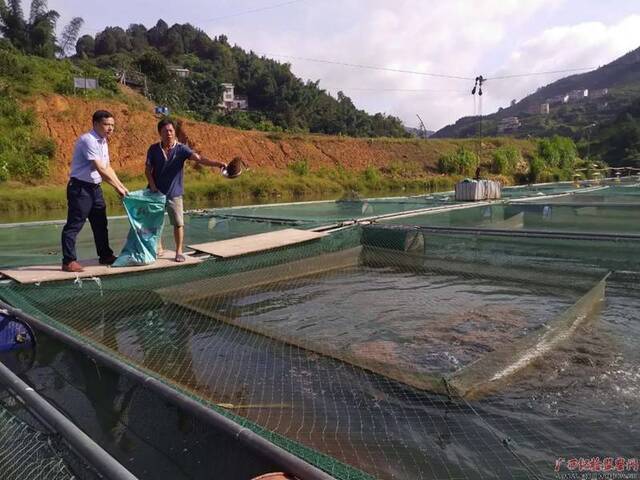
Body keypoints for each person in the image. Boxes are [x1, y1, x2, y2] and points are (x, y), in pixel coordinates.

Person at [145, 118, 226, 262]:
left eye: (170, 131)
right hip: (156, 193)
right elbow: (148, 170)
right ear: (160, 133)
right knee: (154, 223)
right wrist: (152, 186)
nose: (168, 134)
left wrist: (218, 164)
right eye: (165, 131)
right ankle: (158, 247)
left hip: (174, 193)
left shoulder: (181, 149)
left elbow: (199, 158)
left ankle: (179, 251)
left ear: (175, 132)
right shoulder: (153, 149)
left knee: (178, 223)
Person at [61, 110, 129, 272]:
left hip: (94, 189)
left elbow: (107, 167)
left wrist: (121, 185)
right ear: (96, 124)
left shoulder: (103, 142)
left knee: (100, 224)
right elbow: (99, 168)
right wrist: (116, 187)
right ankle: (68, 261)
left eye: (112, 125)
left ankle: (105, 255)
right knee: (74, 224)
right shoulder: (88, 140)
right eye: (106, 124)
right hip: (80, 189)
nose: (110, 128)